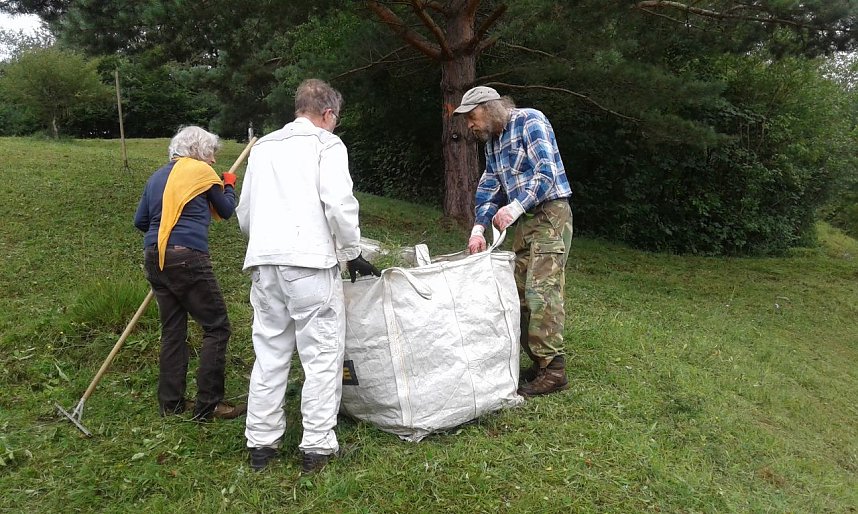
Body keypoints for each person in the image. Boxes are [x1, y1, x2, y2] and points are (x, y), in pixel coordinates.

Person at [236, 78, 380, 473]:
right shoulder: (326, 145)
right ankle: (316, 446)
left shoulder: (262, 147)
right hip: (311, 265)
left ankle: (261, 445)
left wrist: (266, 244)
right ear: (328, 114)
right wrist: (352, 252)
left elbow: (245, 212)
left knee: (269, 352)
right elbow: (338, 203)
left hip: (265, 263)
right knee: (321, 356)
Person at [454, 86, 574, 397]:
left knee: (542, 291)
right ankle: (539, 362)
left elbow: (545, 173)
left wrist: (515, 206)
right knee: (517, 292)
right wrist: (478, 228)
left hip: (550, 213)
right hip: (525, 219)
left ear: (489, 107)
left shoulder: (530, 121)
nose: (469, 125)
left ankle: (555, 370)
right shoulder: (492, 142)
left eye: (471, 116)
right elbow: (490, 185)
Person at [134, 125, 247, 421]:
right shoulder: (200, 172)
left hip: (154, 257)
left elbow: (141, 221)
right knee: (217, 327)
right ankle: (209, 405)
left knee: (173, 331)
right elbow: (225, 210)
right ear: (197, 151)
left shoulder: (156, 177)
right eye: (210, 153)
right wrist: (229, 185)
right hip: (187, 258)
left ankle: (170, 405)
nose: (212, 161)